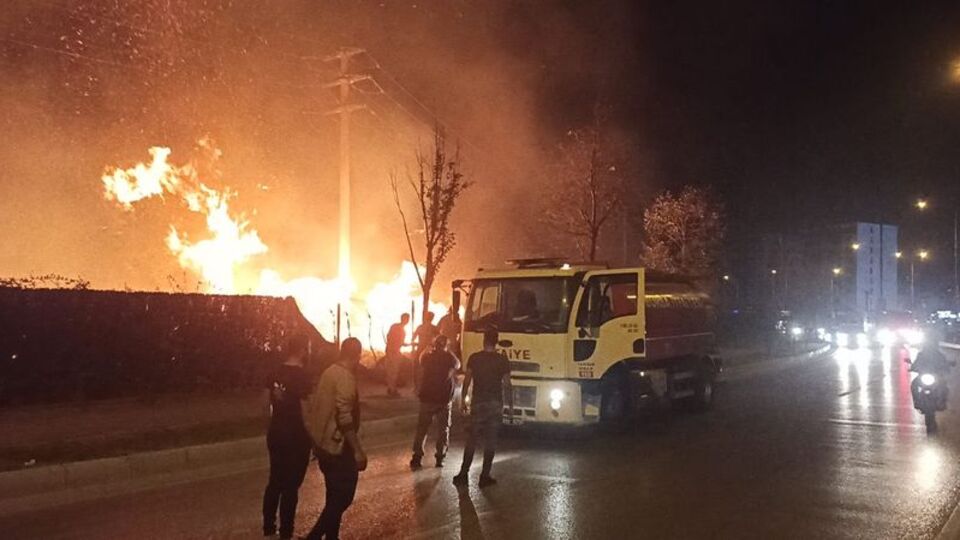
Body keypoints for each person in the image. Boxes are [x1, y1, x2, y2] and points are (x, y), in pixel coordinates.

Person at [302, 337, 368, 540]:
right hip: (338, 447)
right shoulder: (345, 378)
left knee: (333, 494)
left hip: (323, 444)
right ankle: (313, 537)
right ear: (356, 355)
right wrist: (357, 450)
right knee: (344, 496)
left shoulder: (329, 372)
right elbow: (344, 417)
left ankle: (331, 536)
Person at [261, 334, 313, 540]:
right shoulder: (303, 376)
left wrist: (270, 428)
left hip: (276, 432)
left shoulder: (274, 372)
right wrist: (313, 437)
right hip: (296, 436)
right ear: (301, 350)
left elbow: (265, 405)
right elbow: (305, 412)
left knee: (275, 480)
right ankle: (286, 532)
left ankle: (268, 527)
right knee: (291, 485)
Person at [452, 329, 513, 488]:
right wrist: (510, 407)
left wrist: (463, 401)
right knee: (490, 441)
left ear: (484, 340)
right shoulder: (502, 360)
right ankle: (485, 476)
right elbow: (507, 385)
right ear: (496, 341)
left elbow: (467, 381)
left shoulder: (474, 358)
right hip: (495, 404)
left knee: (472, 439)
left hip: (478, 403)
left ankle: (463, 474)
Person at [410, 334, 460, 469]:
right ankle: (440, 457)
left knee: (422, 428)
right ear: (445, 345)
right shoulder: (449, 358)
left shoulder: (428, 357)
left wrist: (426, 349)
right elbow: (458, 364)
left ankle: (417, 456)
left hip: (427, 398)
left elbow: (420, 359)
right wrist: (448, 350)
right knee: (443, 430)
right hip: (443, 400)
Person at [385, 313, 410, 397]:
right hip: (395, 351)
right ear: (406, 320)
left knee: (390, 371)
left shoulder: (394, 326)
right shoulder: (402, 330)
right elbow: (400, 342)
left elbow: (388, 336)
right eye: (407, 319)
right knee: (394, 371)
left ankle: (390, 388)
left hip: (389, 350)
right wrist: (406, 344)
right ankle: (392, 390)